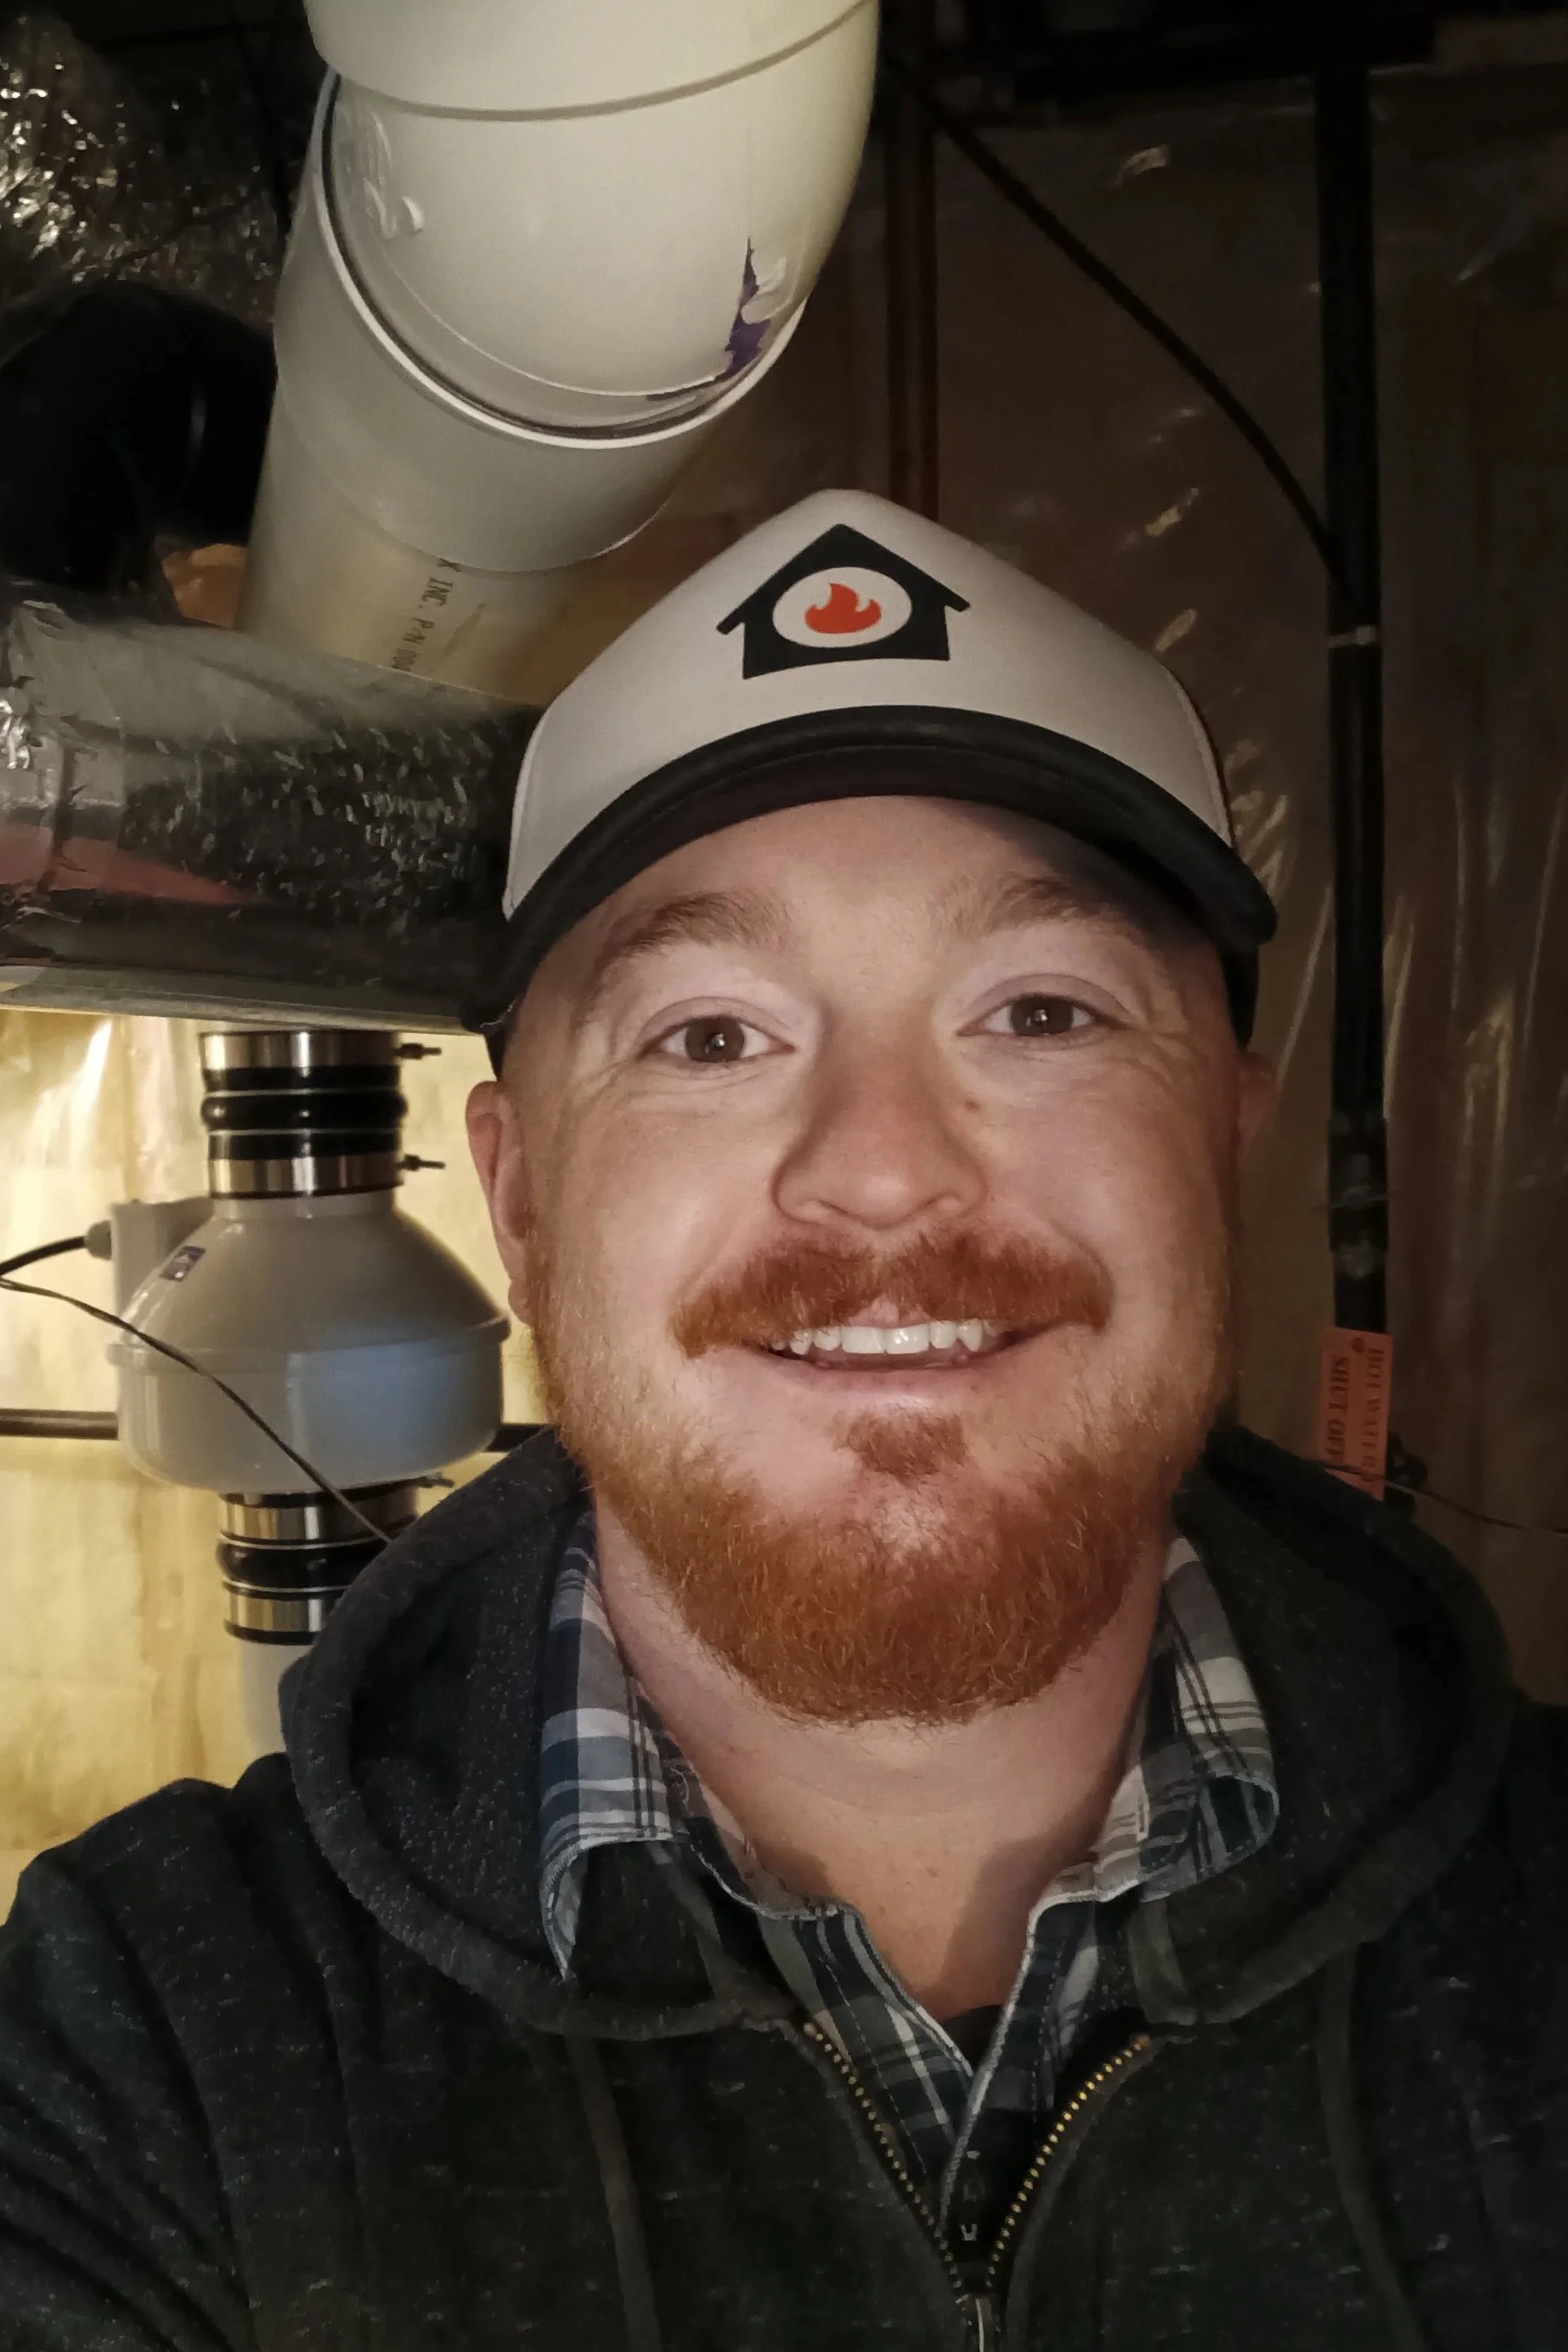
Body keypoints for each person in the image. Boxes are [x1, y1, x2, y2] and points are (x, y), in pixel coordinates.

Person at [0, 490, 1561, 2352]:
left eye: (1039, 1009)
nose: (884, 1173)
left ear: (1223, 1130)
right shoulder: (148, 2041)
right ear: (516, 1198)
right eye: (710, 1035)